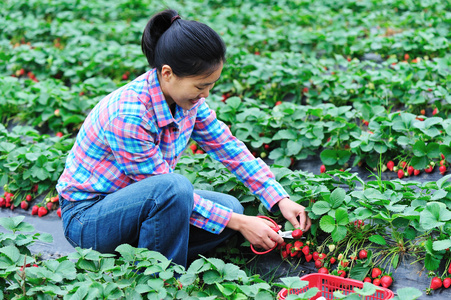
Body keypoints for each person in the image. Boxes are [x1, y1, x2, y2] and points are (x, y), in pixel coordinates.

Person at [56, 9, 311, 268]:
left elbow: (228, 147)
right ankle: (161, 278)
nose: (206, 94)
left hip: (139, 205)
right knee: (176, 190)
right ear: (167, 73)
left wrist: (280, 199)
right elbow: (160, 186)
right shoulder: (128, 115)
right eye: (201, 86)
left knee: (230, 205)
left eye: (211, 85)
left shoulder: (188, 103)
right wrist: (241, 223)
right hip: (89, 219)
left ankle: (141, 256)